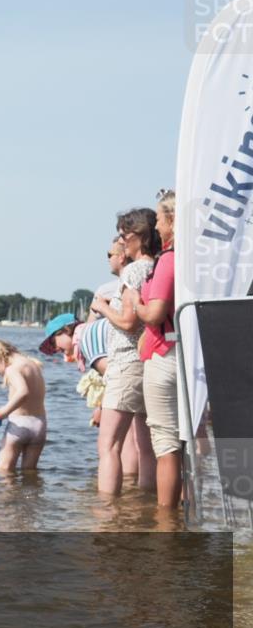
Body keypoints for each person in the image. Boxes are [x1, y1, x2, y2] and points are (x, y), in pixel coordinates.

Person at [90, 208, 160, 495]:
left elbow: (130, 323)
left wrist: (103, 307)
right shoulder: (157, 265)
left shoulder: (133, 270)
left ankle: (107, 516)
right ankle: (145, 508)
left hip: (127, 361)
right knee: (147, 447)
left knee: (108, 446)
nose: (121, 242)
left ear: (139, 236)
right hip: (148, 361)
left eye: (123, 235)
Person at [127, 189, 181, 508]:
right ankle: (183, 513)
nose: (157, 227)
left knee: (166, 444)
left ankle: (165, 524)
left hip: (164, 355)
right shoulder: (192, 259)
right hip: (183, 354)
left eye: (160, 219)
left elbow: (156, 313)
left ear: (172, 221)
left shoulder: (168, 262)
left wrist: (135, 303)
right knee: (181, 440)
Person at [0, 340, 47, 473]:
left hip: (19, 425)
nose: (1, 375)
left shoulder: (12, 369)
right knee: (30, 472)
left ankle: (7, 494)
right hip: (39, 426)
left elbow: (23, 392)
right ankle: (30, 493)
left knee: (4, 471)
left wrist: (2, 413)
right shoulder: (34, 365)